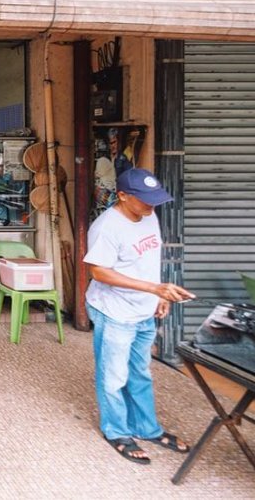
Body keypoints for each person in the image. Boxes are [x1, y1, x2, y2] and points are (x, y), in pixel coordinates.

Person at [83, 168, 194, 465]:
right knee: (114, 376)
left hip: (143, 309)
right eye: (145, 200)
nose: (151, 205)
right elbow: (98, 271)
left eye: (155, 200)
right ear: (122, 196)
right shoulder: (107, 227)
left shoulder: (148, 217)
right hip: (115, 311)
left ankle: (147, 428)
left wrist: (158, 294)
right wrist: (153, 288)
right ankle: (117, 431)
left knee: (141, 373)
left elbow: (147, 260)